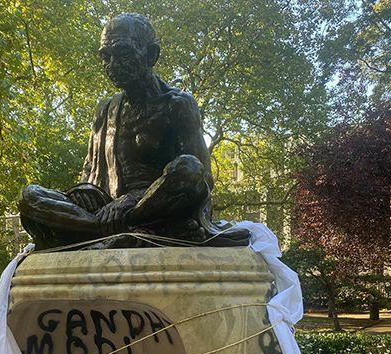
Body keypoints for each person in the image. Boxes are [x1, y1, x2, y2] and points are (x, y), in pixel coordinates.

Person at [18, 13, 249, 250]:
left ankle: (100, 230)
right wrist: (84, 189)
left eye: (123, 53)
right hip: (104, 207)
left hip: (152, 206)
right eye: (105, 56)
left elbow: (203, 177)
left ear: (151, 55)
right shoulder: (105, 110)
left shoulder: (177, 104)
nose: (112, 65)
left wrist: (130, 200)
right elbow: (89, 170)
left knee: (189, 168)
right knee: (30, 196)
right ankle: (114, 230)